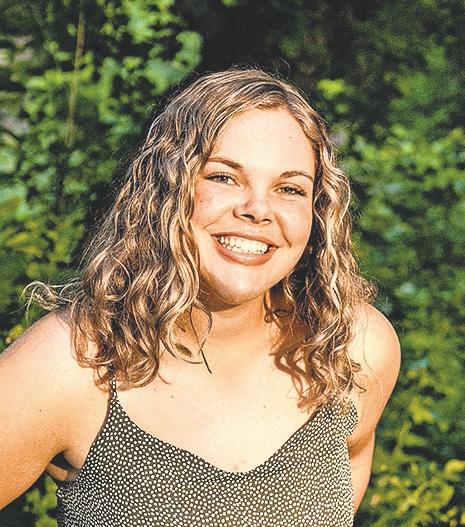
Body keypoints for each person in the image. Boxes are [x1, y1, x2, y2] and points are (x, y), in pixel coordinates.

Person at [0, 68, 400, 526]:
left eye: (289, 188)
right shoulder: (74, 362)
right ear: (165, 191)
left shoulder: (354, 349)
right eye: (224, 177)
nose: (257, 209)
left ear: (318, 212)